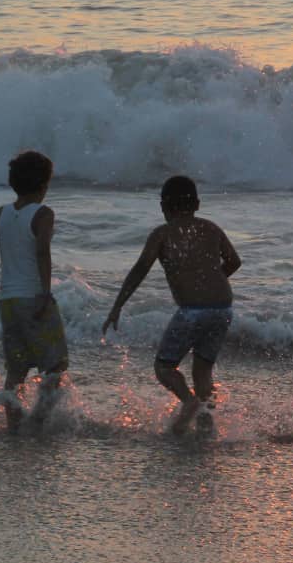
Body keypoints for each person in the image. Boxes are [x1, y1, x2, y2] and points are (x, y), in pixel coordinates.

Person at [102, 175, 241, 434]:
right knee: (203, 371)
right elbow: (234, 261)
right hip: (223, 309)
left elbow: (140, 269)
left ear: (163, 207)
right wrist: (211, 280)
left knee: (164, 367)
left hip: (192, 313)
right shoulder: (211, 228)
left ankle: (188, 403)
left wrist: (117, 305)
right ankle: (206, 424)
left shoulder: (162, 234)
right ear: (197, 204)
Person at [0, 150, 69, 430]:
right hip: (34, 298)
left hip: (8, 302)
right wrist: (45, 292)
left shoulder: (2, 213)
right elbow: (42, 253)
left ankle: (14, 423)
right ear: (44, 185)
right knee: (54, 367)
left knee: (16, 370)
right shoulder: (43, 213)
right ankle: (38, 420)